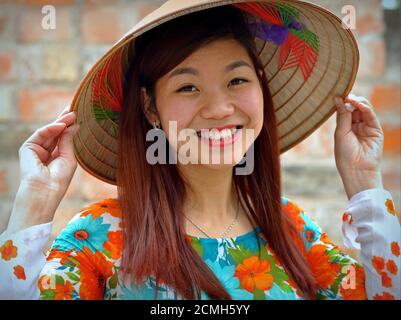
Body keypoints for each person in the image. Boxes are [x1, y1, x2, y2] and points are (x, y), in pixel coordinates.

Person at [0, 1, 400, 300]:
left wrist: (364, 182)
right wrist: (34, 203)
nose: (220, 108)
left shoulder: (292, 229)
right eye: (187, 87)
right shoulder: (98, 237)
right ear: (150, 108)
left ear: (261, 89)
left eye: (237, 80)